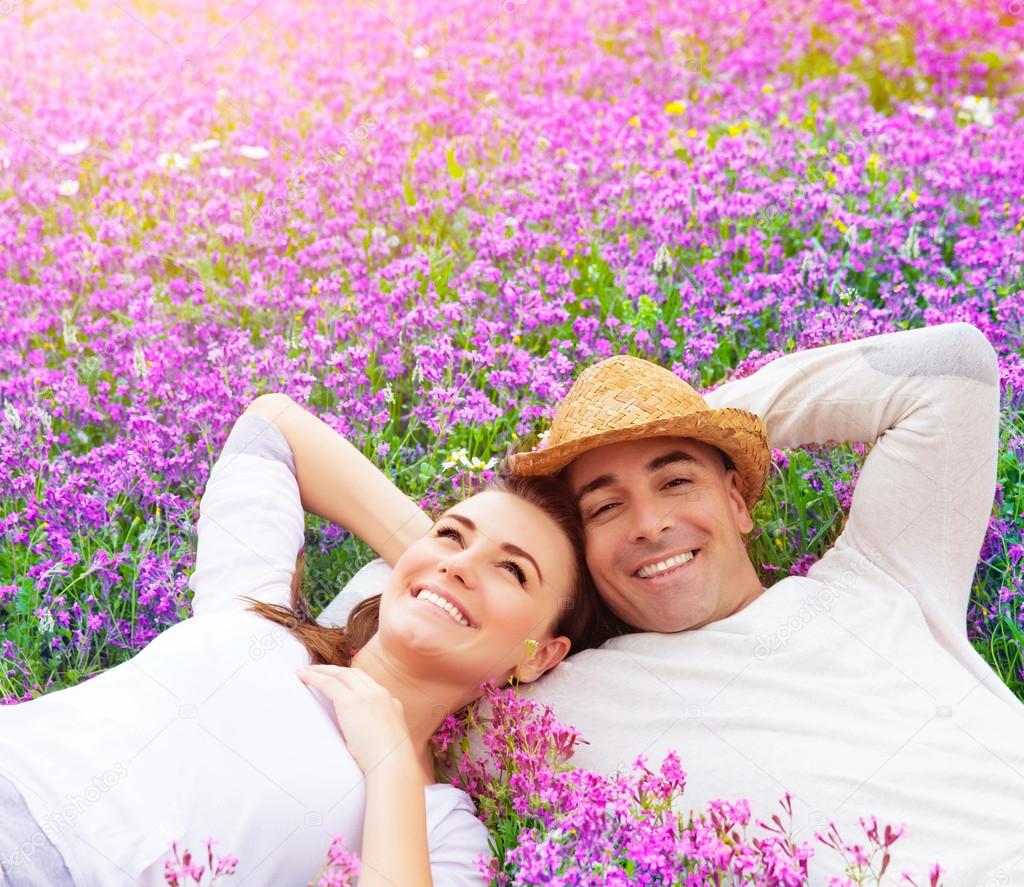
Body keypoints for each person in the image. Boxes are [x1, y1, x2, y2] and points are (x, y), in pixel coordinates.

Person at [327, 322, 1024, 884]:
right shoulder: (542, 699)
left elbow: (950, 366)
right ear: (581, 561)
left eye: (677, 481)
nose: (650, 524)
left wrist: (695, 416)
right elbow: (394, 605)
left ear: (737, 501)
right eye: (605, 506)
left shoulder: (884, 575)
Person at [0, 396, 608, 887]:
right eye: (452, 533)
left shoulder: (439, 826)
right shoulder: (258, 613)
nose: (460, 563)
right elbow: (273, 427)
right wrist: (434, 567)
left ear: (544, 655)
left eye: (514, 571)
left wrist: (392, 759)